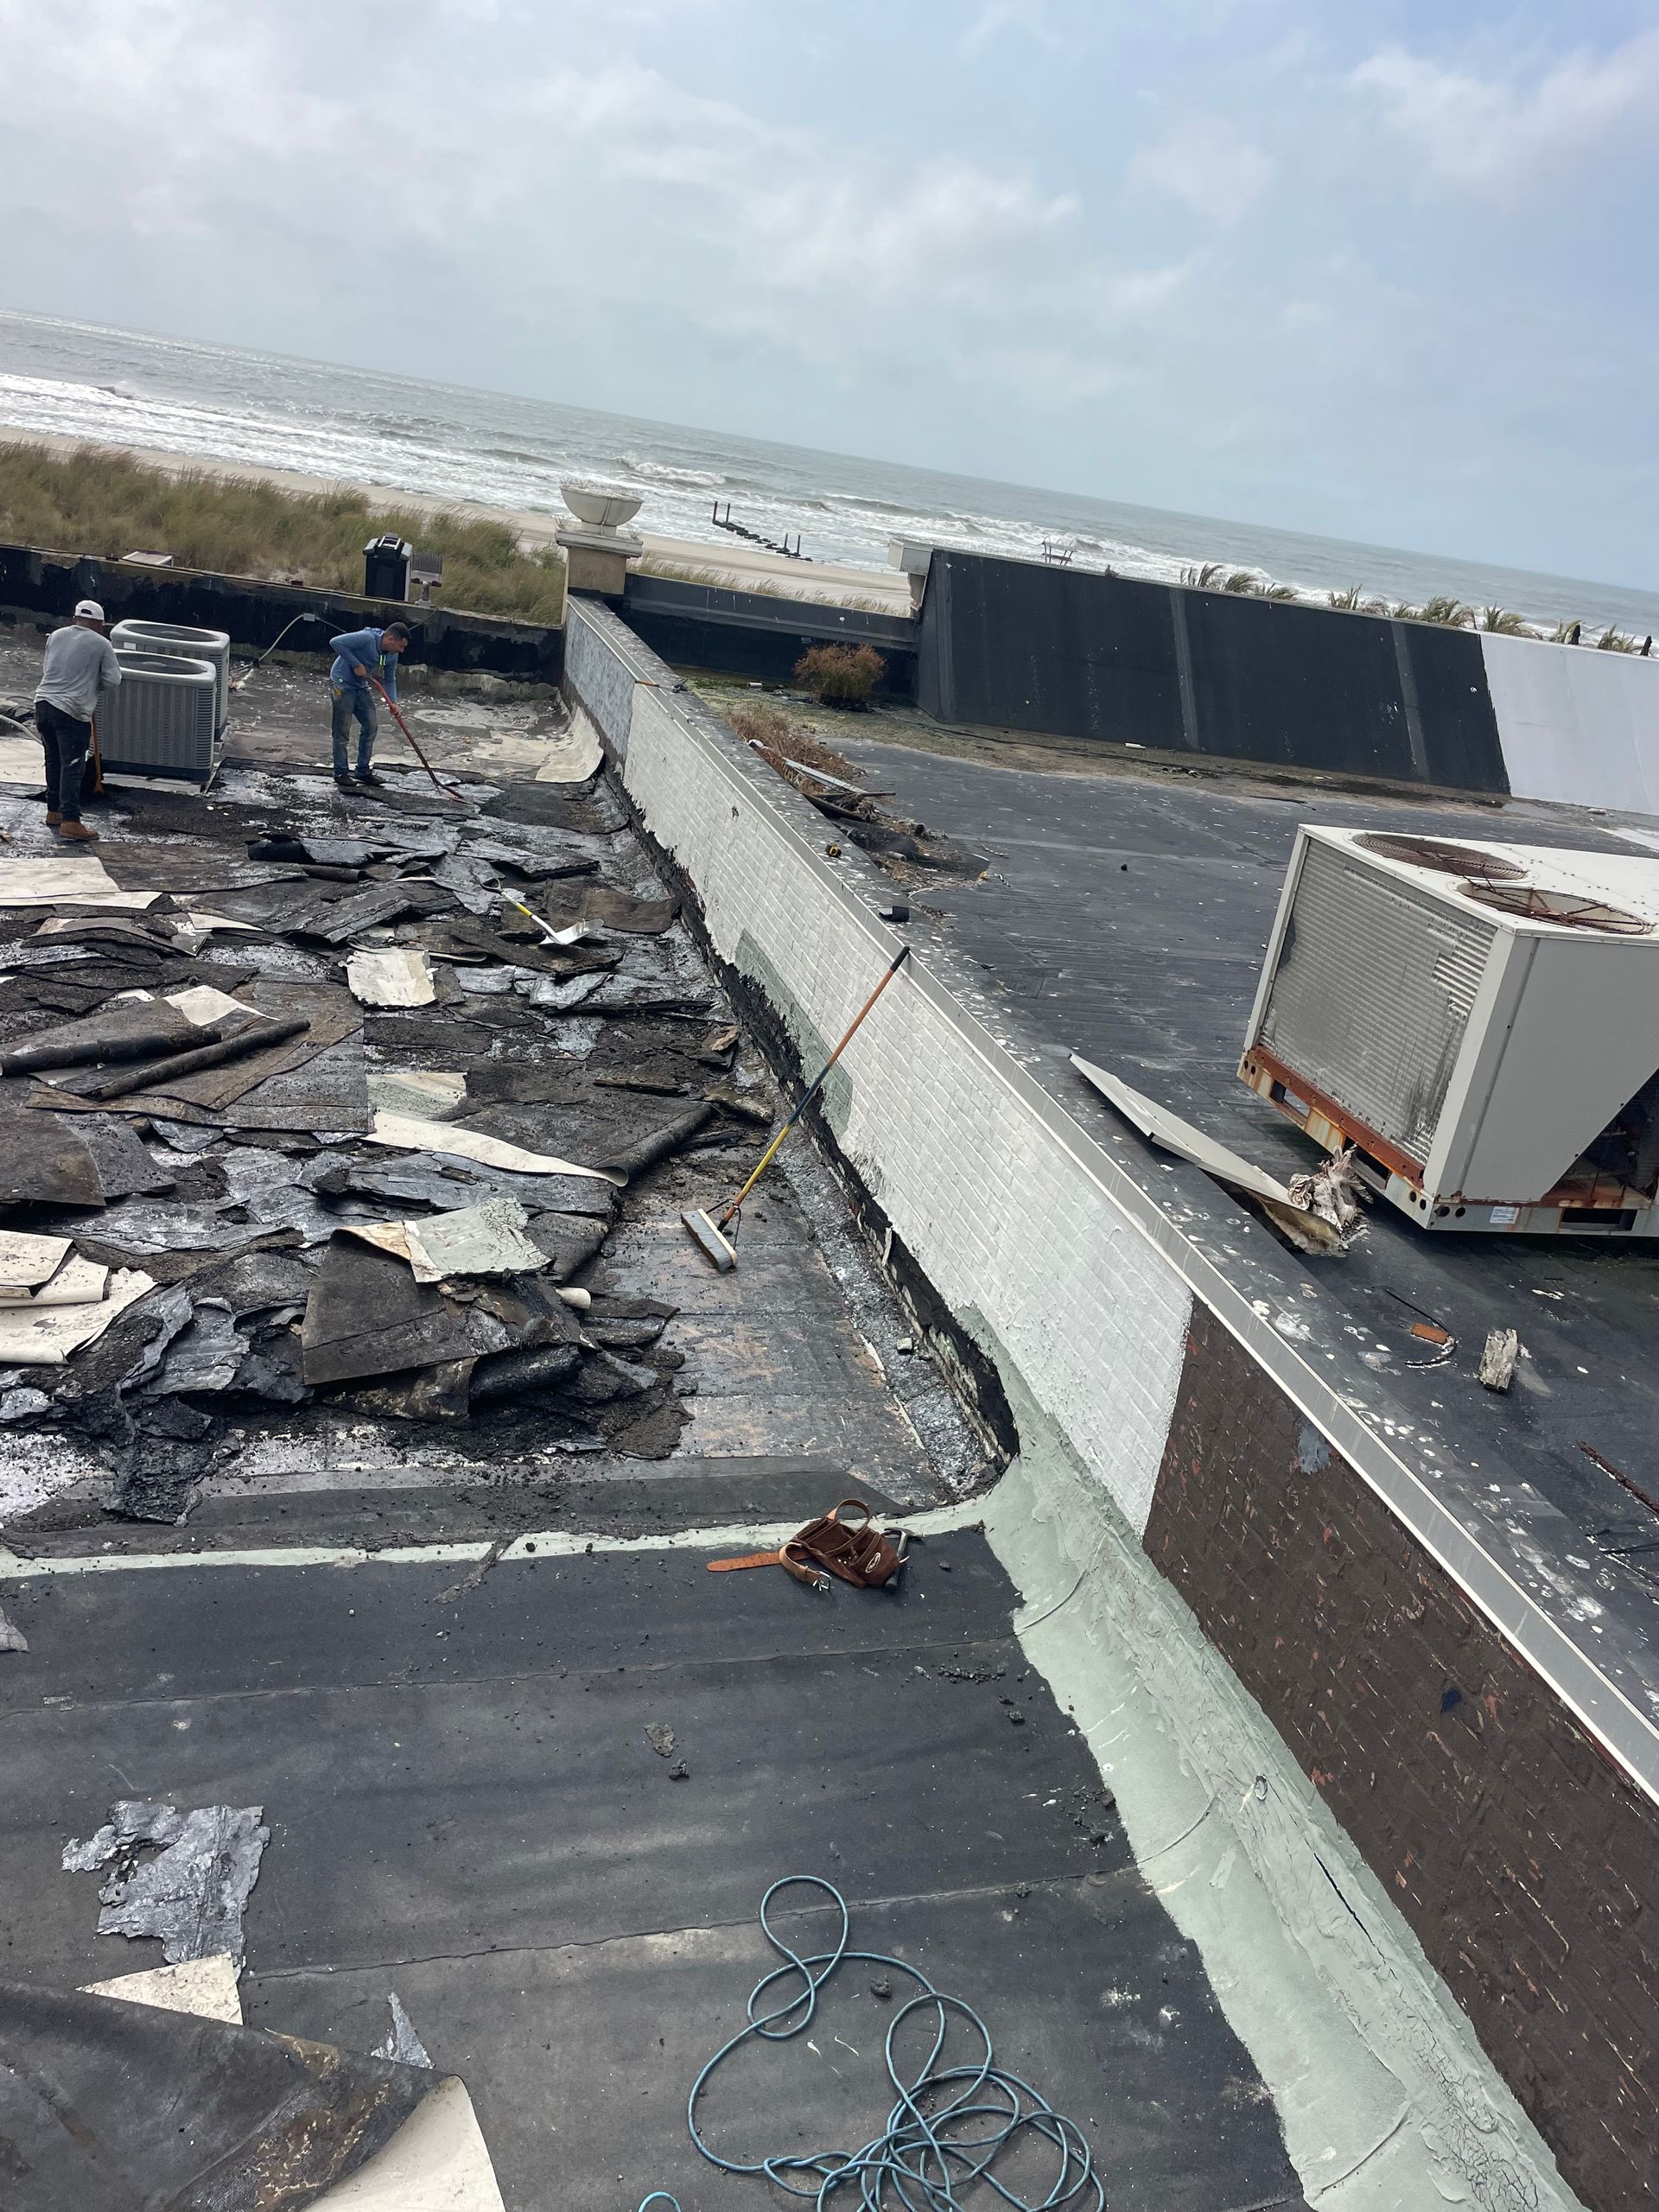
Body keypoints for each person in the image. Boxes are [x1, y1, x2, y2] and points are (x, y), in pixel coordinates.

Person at [33, 599, 122, 842]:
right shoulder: (102, 644)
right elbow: (114, 680)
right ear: (99, 624)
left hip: (43, 704)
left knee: (53, 760)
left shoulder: (56, 636)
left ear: (76, 619)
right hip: (71, 711)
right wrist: (92, 686)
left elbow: (48, 668)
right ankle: (71, 821)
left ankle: (54, 811)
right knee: (72, 766)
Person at [327, 620, 410, 791]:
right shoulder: (366, 638)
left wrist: (393, 702)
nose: (402, 651)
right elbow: (335, 642)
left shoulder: (391, 656)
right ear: (390, 639)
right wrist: (356, 664)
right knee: (342, 730)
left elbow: (389, 679)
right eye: (400, 646)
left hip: (360, 686)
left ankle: (363, 771)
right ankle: (341, 772)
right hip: (342, 684)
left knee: (371, 726)